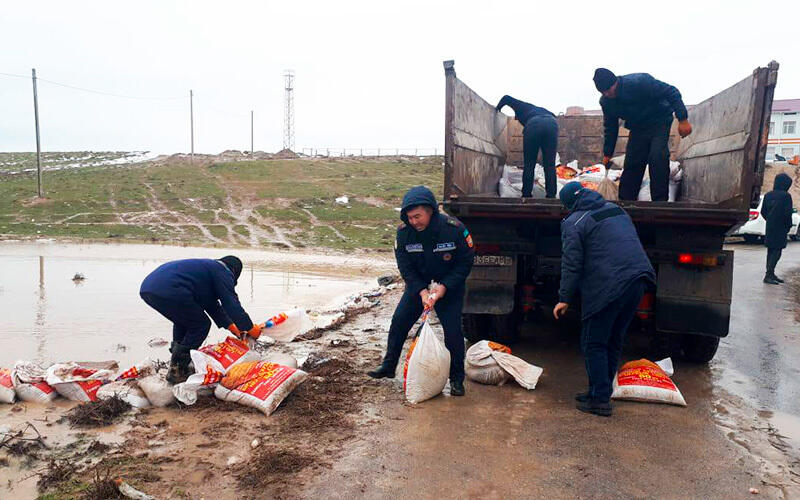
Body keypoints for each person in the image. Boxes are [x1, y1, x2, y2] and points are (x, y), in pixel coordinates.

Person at [553, 181, 655, 416]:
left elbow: (572, 264)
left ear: (569, 204)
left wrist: (564, 298)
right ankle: (599, 392)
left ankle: (599, 401)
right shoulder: (617, 210)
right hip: (638, 279)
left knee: (594, 341)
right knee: (613, 340)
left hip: (610, 283)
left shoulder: (574, 222)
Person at [368, 186, 474, 396]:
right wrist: (422, 292)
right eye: (410, 217)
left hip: (448, 285)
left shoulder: (453, 229)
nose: (414, 222)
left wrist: (443, 288)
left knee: (453, 332)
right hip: (420, 285)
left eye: (418, 216)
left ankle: (456, 379)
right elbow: (405, 266)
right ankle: (389, 366)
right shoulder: (405, 233)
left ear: (430, 211)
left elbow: (465, 261)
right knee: (399, 321)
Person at [139, 256, 262, 383]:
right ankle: (177, 370)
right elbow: (231, 303)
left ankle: (176, 365)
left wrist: (232, 327)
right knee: (201, 325)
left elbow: (212, 305)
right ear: (235, 273)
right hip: (171, 288)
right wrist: (250, 328)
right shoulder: (223, 271)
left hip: (149, 288)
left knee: (184, 321)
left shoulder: (207, 270)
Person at [593, 68, 693, 201]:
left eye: (609, 89)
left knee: (657, 157)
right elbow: (610, 127)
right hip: (638, 128)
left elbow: (671, 91)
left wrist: (683, 119)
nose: (607, 93)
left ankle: (660, 203)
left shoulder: (639, 82)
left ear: (615, 81)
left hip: (659, 121)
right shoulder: (606, 101)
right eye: (603, 92)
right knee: (633, 163)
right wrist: (607, 153)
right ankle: (626, 203)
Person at [496, 95, 559, 198]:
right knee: (550, 165)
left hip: (534, 124)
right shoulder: (539, 110)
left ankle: (526, 195)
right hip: (552, 124)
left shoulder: (520, 106)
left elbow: (506, 98)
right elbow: (553, 117)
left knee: (529, 164)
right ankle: (551, 196)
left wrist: (497, 110)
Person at [763, 173, 794, 285]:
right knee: (777, 251)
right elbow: (787, 213)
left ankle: (770, 273)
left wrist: (770, 219)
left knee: (770, 250)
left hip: (770, 226)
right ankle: (768, 275)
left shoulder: (768, 195)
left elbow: (763, 211)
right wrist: (788, 225)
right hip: (781, 227)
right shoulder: (786, 196)